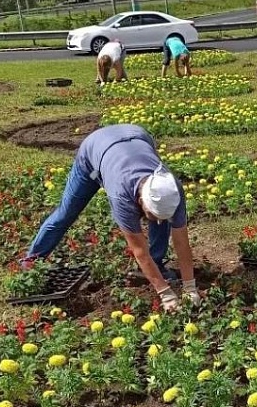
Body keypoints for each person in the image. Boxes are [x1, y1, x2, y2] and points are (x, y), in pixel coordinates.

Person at [24, 125, 199, 312]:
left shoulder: (172, 190)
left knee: (161, 219)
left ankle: (155, 264)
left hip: (135, 135)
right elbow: (139, 250)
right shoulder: (121, 196)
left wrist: (190, 287)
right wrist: (165, 293)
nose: (155, 221)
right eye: (151, 215)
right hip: (95, 151)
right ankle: (31, 261)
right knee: (66, 213)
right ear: (140, 200)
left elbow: (182, 242)